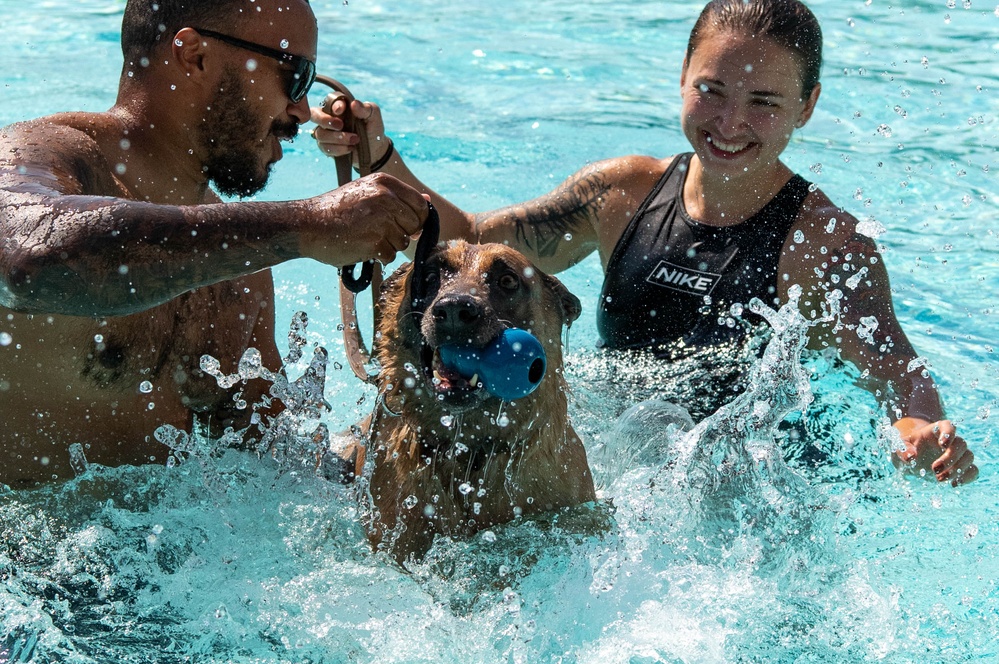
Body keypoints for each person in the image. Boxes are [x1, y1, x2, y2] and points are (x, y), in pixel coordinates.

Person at [312, 0, 977, 485]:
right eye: (709, 90)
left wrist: (920, 431)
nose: (728, 123)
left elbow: (896, 370)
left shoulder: (822, 242)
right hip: (623, 448)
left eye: (764, 103)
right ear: (682, 76)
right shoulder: (622, 192)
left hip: (747, 484)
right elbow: (473, 247)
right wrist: (381, 158)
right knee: (346, 457)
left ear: (806, 107)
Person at [0, 0, 430, 488]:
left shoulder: (237, 266)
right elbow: (28, 259)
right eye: (294, 76)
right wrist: (307, 226)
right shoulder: (42, 157)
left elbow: (279, 466)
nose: (301, 110)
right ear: (194, 55)